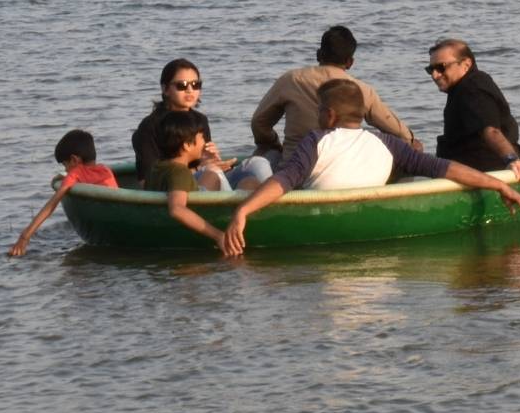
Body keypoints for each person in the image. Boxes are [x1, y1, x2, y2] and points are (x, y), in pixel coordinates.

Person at [224, 80, 520, 254]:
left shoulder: (318, 140)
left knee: (256, 169)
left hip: (322, 229)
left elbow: (285, 180)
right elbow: (443, 168)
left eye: (319, 110)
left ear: (329, 115)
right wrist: (498, 184)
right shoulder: (387, 142)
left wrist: (242, 212)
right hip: (372, 240)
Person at [251, 25, 422, 167]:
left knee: (263, 156)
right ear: (350, 62)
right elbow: (394, 128)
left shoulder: (290, 80)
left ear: (319, 54)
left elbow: (259, 123)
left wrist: (273, 144)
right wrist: (411, 140)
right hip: (342, 166)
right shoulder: (360, 90)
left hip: (293, 167)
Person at [132, 58, 270, 190]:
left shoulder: (200, 120)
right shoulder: (150, 127)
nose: (190, 90)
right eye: (182, 85)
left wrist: (213, 161)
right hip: (178, 187)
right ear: (165, 89)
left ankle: (271, 205)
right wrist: (203, 168)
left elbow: (203, 161)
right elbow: (147, 181)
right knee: (213, 173)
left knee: (258, 163)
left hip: (208, 176)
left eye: (195, 85)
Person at [426, 38, 520, 182]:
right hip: (467, 169)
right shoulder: (463, 88)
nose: (435, 75)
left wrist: (512, 160)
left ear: (466, 64)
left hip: (483, 173)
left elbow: (491, 130)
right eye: (430, 69)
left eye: (441, 67)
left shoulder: (473, 89)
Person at [8, 129, 118, 257]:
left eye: (65, 165)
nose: (66, 169)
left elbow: (51, 205)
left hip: (103, 227)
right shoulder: (105, 170)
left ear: (74, 160)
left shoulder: (75, 174)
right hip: (116, 217)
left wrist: (24, 237)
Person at [147, 110, 236, 253]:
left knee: (212, 172)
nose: (204, 142)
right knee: (216, 173)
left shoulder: (157, 167)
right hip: (189, 228)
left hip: (159, 229)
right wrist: (218, 235)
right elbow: (176, 209)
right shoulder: (179, 172)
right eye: (201, 137)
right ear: (187, 145)